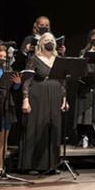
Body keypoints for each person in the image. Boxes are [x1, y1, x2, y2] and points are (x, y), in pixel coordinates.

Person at [17, 32, 68, 174]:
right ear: (40, 43)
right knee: (37, 128)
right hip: (38, 97)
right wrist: (25, 99)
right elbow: (27, 80)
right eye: (46, 40)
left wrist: (64, 99)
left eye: (52, 40)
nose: (49, 42)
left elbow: (63, 82)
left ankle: (51, 165)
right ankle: (33, 165)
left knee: (53, 128)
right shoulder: (34, 59)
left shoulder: (59, 60)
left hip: (55, 96)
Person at [0, 45, 20, 177]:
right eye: (0, 56)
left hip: (7, 106)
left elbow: (14, 89)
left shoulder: (8, 70)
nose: (2, 59)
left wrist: (17, 83)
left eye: (4, 57)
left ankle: (0, 169)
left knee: (3, 140)